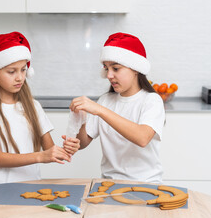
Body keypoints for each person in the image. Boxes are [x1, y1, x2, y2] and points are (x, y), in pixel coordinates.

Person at [0, 32, 80, 189]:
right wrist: (41, 156)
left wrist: (67, 150)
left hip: (30, 190)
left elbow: (49, 149)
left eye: (23, 70)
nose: (19, 77)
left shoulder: (33, 106)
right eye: (11, 72)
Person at [68, 32, 165, 184]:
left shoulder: (151, 101)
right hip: (108, 183)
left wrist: (100, 110)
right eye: (106, 68)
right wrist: (80, 120)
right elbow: (83, 142)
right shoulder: (105, 100)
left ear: (135, 68)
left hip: (146, 184)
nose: (109, 75)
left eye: (116, 68)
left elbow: (142, 138)